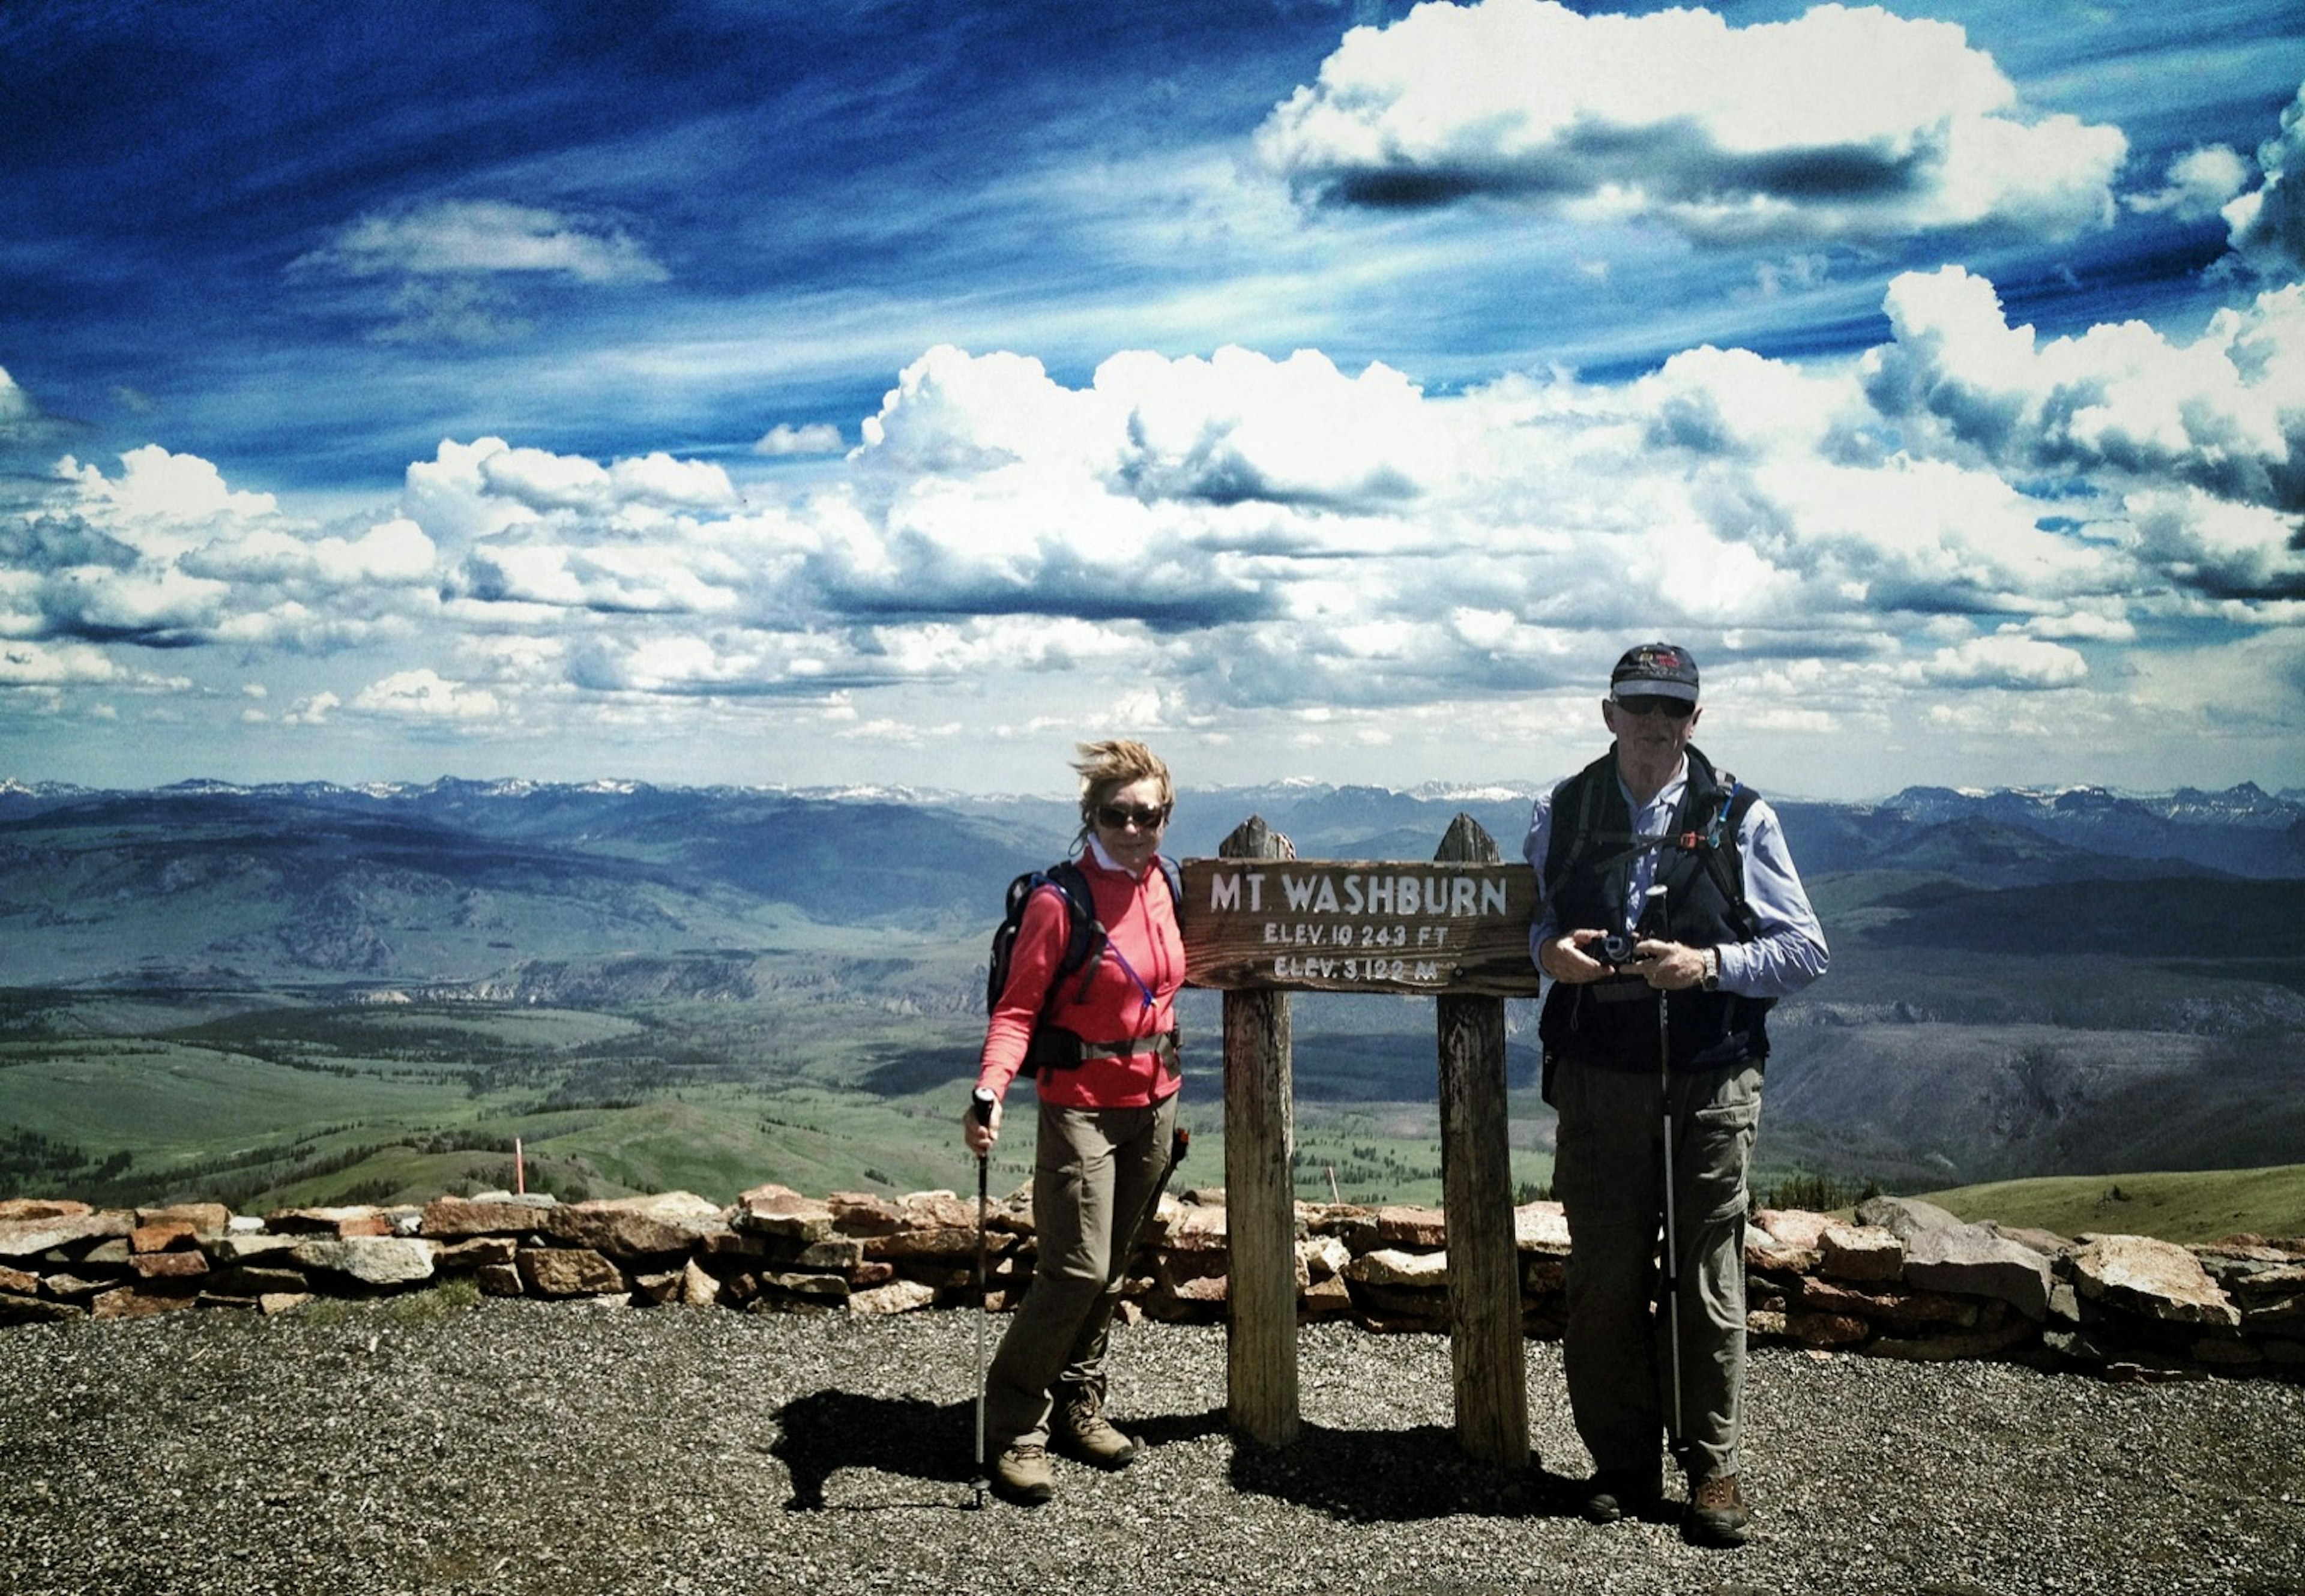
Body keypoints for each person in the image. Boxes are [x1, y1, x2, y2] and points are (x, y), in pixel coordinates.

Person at [1523, 642, 1827, 1549]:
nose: (1655, 723)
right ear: (1608, 711)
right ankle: (1619, 1461)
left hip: (1711, 1071)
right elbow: (1535, 918)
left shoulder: (1741, 816)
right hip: (1599, 1074)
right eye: (1639, 704)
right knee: (1605, 1273)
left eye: (1673, 708)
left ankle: (1712, 1467)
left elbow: (1804, 949)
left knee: (1706, 1274)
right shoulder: (1563, 809)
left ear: (1696, 719)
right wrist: (1552, 954)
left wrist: (1709, 966)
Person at [963, 738, 1187, 1506]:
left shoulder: (1169, 885)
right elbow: (1018, 1009)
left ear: (1166, 814)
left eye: (1148, 813)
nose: (1134, 827)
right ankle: (1015, 1422)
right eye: (1117, 813)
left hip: (1156, 1100)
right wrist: (990, 1090)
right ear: (1092, 815)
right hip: (1080, 1105)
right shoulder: (1062, 901)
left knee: (1113, 1265)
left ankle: (1080, 1403)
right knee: (1077, 1268)